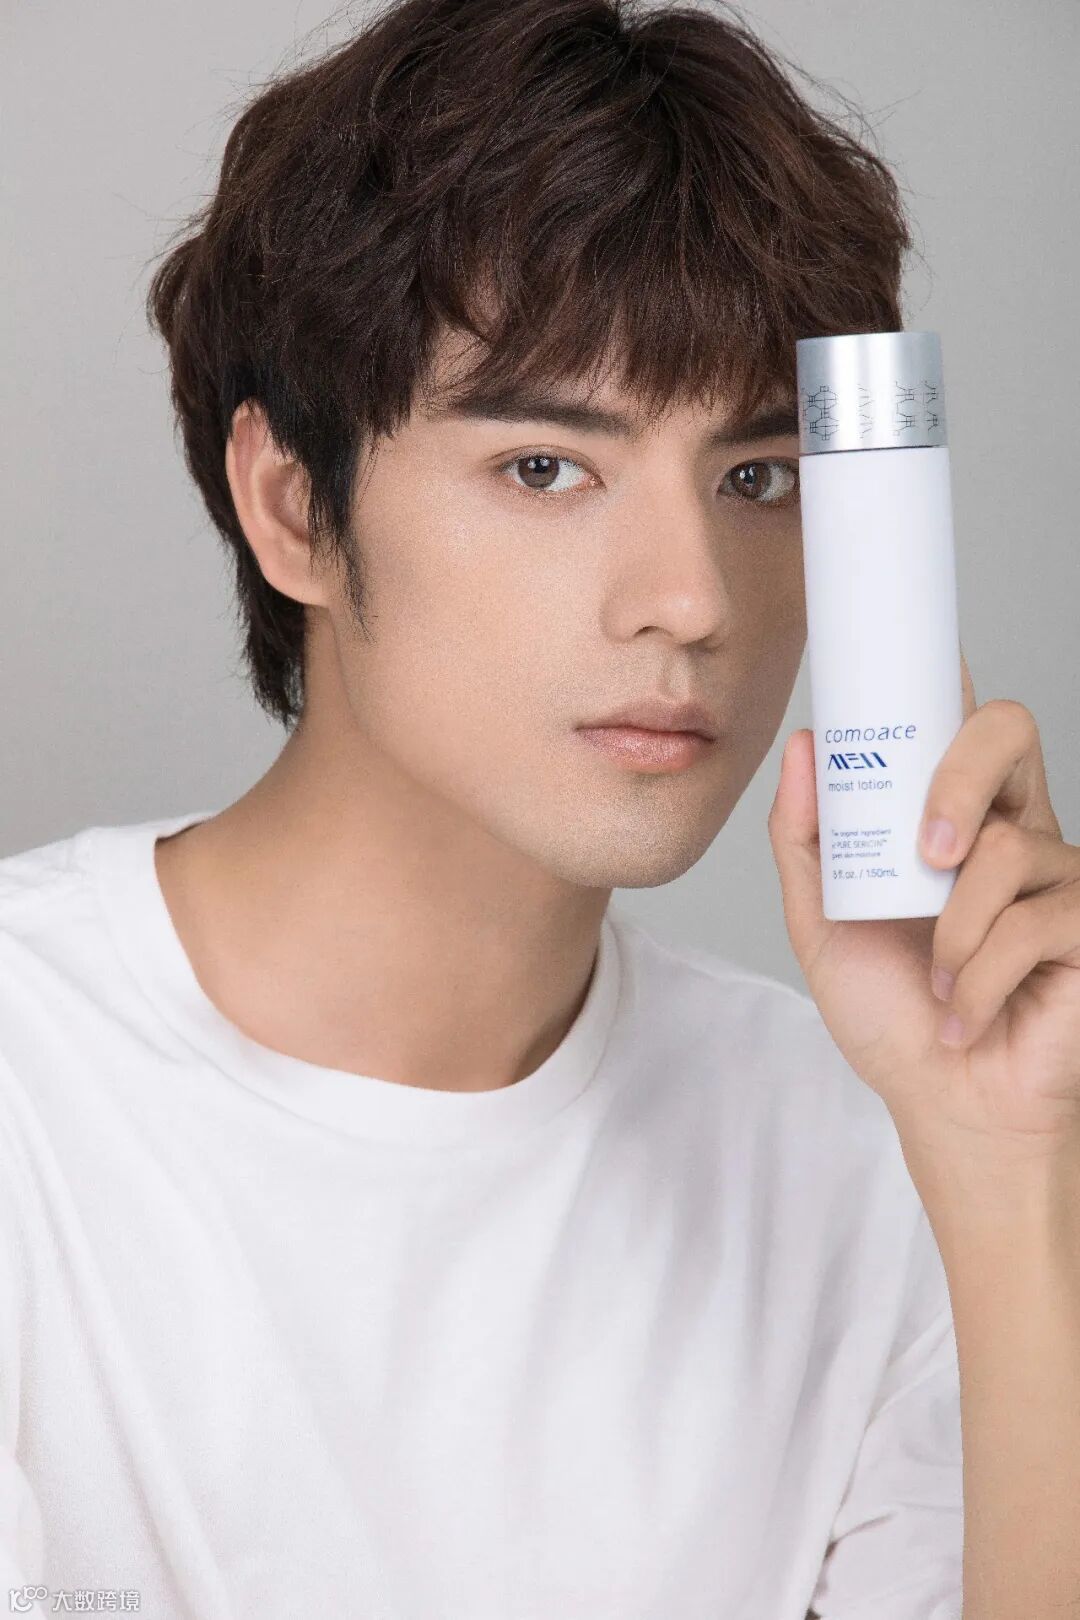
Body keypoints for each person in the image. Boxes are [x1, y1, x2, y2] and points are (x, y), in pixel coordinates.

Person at [0, 0, 963, 1614]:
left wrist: (1008, 1168)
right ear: (293, 507)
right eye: (545, 469)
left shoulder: (879, 1146)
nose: (693, 602)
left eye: (758, 479)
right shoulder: (34, 1087)